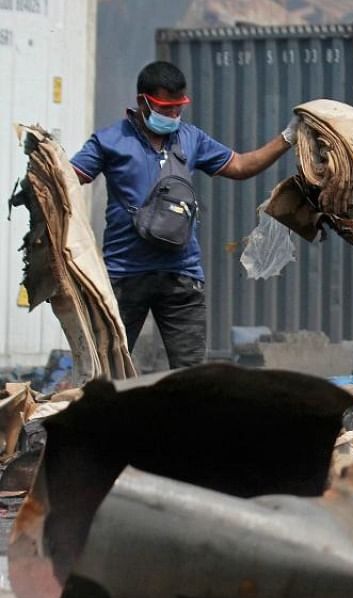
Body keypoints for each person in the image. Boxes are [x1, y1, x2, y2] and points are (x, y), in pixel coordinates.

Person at [71, 61, 299, 368]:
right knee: (106, 369)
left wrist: (288, 137)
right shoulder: (109, 141)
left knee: (192, 376)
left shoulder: (191, 139)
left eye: (179, 109)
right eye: (166, 109)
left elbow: (242, 166)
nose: (174, 117)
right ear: (143, 102)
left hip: (182, 276)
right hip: (124, 276)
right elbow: (68, 179)